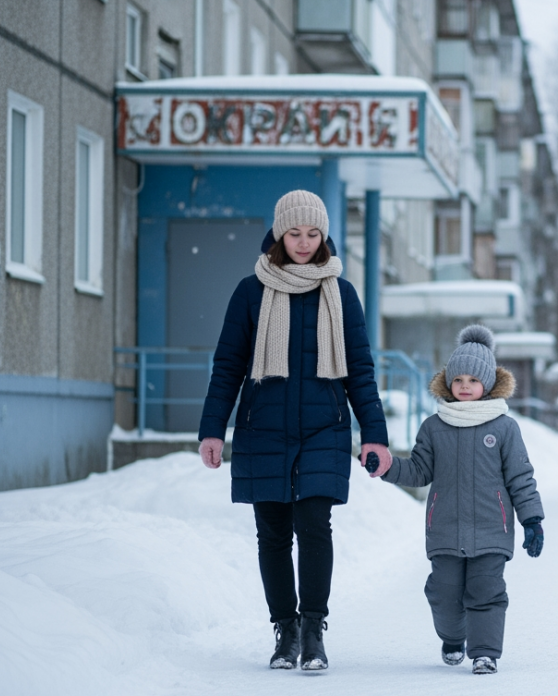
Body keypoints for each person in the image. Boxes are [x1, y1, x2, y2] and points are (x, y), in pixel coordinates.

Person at [197, 190, 392, 672]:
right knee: (272, 533)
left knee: (314, 526)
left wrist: (375, 434)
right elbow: (228, 366)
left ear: (323, 236)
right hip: (263, 427)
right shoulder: (251, 290)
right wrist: (212, 429)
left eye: (313, 234)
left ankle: (312, 629)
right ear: (279, 234)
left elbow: (360, 370)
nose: (304, 243)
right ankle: (284, 630)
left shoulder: (340, 293)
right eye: (295, 233)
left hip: (324, 427)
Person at [375, 324, 545, 675]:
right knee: (444, 593)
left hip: (490, 530)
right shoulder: (434, 427)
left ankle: (485, 653)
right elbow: (419, 472)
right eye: (458, 380)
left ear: (488, 384)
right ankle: (453, 638)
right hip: (445, 530)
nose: (465, 385)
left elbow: (520, 477)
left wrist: (532, 519)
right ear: (448, 383)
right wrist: (389, 467)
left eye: (472, 379)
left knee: (486, 591)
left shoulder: (504, 428)